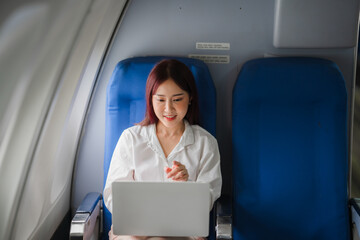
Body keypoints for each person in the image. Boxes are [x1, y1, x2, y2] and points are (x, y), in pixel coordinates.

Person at [103, 59, 222, 240]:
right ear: (150, 99)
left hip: (183, 232)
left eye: (177, 99)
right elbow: (113, 194)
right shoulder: (131, 138)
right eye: (160, 100)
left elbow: (208, 199)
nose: (169, 109)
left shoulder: (205, 143)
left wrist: (186, 184)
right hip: (135, 231)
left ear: (190, 98)